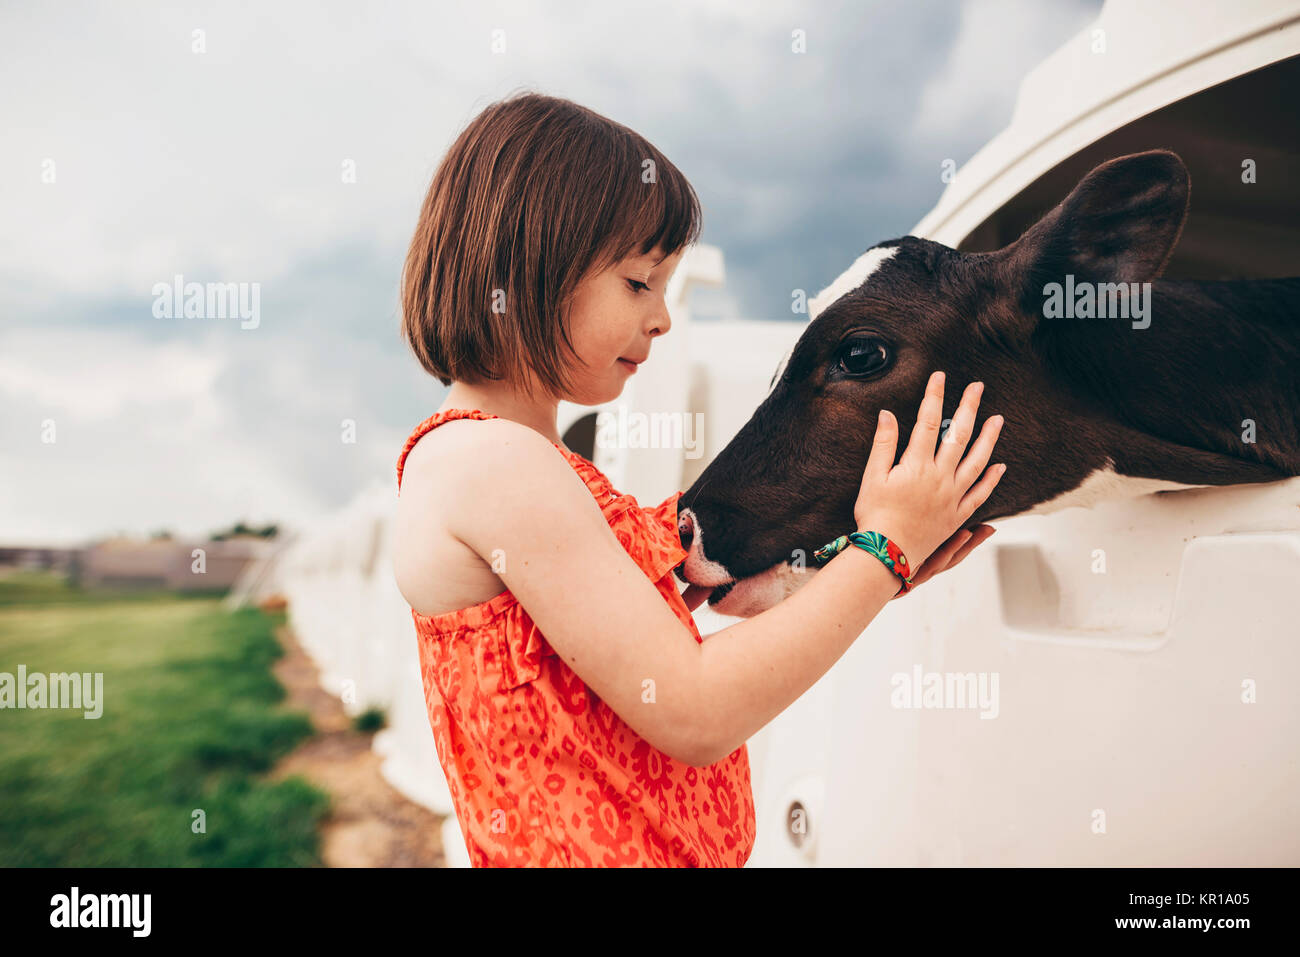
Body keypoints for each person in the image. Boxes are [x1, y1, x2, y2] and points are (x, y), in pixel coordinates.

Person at [392, 90, 1005, 867]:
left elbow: (694, 604)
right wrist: (883, 555)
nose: (662, 318)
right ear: (531, 269)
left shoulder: (526, 468)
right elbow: (695, 706)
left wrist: (868, 563)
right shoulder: (494, 467)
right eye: (639, 282)